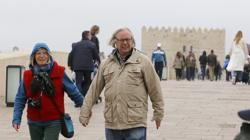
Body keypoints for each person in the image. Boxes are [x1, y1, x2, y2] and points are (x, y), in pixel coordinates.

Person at [79, 28, 164, 140]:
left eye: (128, 40)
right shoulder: (106, 64)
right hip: (112, 123)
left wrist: (158, 113)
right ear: (115, 42)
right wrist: (85, 111)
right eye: (122, 40)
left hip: (135, 122)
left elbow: (155, 88)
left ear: (132, 41)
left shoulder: (143, 61)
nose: (125, 43)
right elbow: (94, 90)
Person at [12, 43, 83, 140]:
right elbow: (20, 98)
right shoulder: (27, 75)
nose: (42, 56)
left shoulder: (59, 72)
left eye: (45, 53)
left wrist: (85, 109)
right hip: (34, 121)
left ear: (49, 56)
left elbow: (73, 92)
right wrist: (16, 118)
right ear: (33, 56)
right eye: (38, 53)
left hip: (53, 121)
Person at [68, 30, 100, 97]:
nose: (91, 37)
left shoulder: (76, 45)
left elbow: (70, 55)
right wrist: (98, 63)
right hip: (88, 67)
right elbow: (96, 56)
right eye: (90, 35)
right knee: (87, 82)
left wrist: (70, 65)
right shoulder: (92, 45)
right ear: (87, 36)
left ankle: (80, 97)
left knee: (78, 82)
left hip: (77, 67)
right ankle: (83, 96)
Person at [90, 25, 102, 104]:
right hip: (94, 61)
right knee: (94, 79)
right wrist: (98, 60)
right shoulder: (94, 38)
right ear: (96, 30)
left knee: (91, 79)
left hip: (89, 60)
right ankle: (95, 96)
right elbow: (95, 50)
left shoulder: (90, 37)